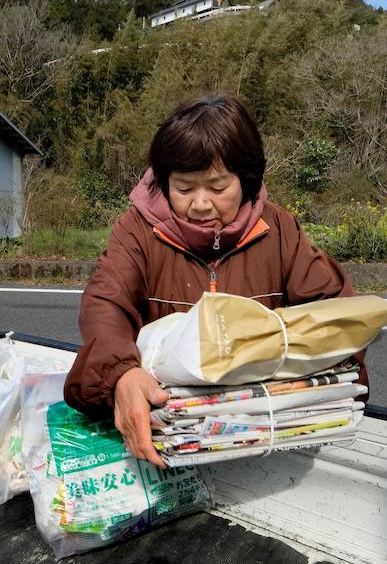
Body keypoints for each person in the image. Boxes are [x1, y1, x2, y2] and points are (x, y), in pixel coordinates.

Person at [64, 95, 365, 468]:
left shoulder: (280, 229)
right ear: (163, 181)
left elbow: (333, 309)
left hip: (261, 439)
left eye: (218, 188)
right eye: (184, 188)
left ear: (246, 180)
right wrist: (121, 374)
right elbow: (106, 304)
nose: (201, 204)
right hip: (171, 436)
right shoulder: (138, 230)